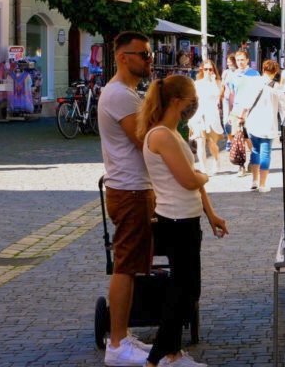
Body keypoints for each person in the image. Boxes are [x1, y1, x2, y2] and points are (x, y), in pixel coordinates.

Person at [138, 75, 228, 367]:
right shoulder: (161, 135)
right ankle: (158, 357)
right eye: (191, 101)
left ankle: (171, 354)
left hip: (185, 219)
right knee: (184, 292)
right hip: (176, 221)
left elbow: (193, 184)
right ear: (177, 102)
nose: (194, 106)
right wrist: (206, 173)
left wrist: (210, 213)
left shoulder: (173, 133)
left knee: (188, 290)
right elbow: (190, 179)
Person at [98, 32, 155, 367]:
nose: (148, 59)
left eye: (148, 54)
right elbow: (144, 141)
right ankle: (117, 343)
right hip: (129, 189)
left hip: (133, 187)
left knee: (131, 266)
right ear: (122, 57)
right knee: (125, 267)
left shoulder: (126, 93)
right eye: (143, 55)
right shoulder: (120, 95)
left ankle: (123, 334)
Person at [235, 60, 285, 192]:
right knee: (265, 153)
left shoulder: (253, 82)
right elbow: (284, 109)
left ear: (263, 69)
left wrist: (240, 117)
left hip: (253, 123)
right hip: (268, 124)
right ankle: (263, 184)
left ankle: (254, 180)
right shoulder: (277, 88)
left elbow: (245, 103)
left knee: (255, 150)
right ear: (275, 72)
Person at [188, 62, 222, 176]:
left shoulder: (217, 82)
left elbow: (217, 94)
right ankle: (203, 168)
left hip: (212, 116)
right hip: (199, 116)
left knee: (212, 143)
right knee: (200, 142)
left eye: (210, 69)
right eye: (206, 69)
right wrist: (190, 119)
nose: (208, 71)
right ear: (202, 69)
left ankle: (216, 160)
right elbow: (193, 100)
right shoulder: (197, 83)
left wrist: (212, 81)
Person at [229, 51, 260, 176]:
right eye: (238, 60)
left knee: (249, 138)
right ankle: (240, 166)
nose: (240, 62)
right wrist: (230, 111)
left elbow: (258, 92)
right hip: (237, 110)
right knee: (238, 138)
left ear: (247, 60)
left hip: (251, 110)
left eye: (242, 60)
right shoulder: (233, 75)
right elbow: (232, 94)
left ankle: (253, 162)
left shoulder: (255, 74)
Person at [218, 55, 238, 152]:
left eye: (230, 62)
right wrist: (219, 97)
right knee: (226, 121)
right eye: (227, 62)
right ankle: (229, 140)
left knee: (235, 121)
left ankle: (236, 140)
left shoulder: (239, 73)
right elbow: (222, 86)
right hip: (226, 99)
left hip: (237, 100)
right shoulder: (226, 73)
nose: (229, 64)